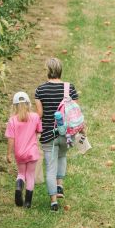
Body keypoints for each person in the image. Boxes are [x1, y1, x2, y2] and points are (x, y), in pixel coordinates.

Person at [35, 58, 80, 212]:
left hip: (49, 135)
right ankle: (59, 185)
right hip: (67, 133)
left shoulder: (40, 90)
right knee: (62, 156)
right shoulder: (70, 88)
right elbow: (75, 111)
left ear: (47, 71)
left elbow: (39, 114)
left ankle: (53, 202)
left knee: (50, 167)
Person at [5, 91, 42, 209]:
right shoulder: (35, 117)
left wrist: (9, 154)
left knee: (21, 174)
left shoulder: (12, 120)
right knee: (30, 175)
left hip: (19, 153)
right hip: (32, 152)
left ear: (15, 106)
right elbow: (39, 131)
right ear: (28, 104)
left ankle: (18, 187)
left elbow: (11, 139)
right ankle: (27, 203)